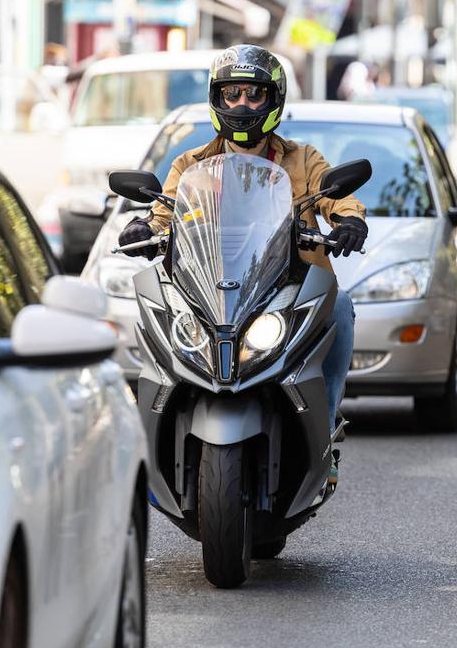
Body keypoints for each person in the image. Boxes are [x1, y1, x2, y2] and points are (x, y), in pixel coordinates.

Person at [117, 44, 368, 445]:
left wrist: (350, 219)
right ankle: (156, 430)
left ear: (274, 99)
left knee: (339, 304)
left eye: (255, 94)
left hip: (286, 287)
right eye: (232, 93)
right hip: (207, 289)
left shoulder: (302, 159)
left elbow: (336, 196)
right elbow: (163, 214)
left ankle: (327, 418)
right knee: (155, 304)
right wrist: (142, 227)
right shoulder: (189, 164)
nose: (243, 103)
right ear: (217, 98)